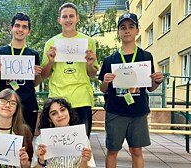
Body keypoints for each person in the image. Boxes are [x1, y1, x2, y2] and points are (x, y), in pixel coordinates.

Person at [98, 13, 164, 168]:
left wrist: (157, 81)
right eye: (123, 27)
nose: (127, 30)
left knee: (136, 151)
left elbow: (150, 87)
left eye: (131, 27)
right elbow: (103, 89)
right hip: (115, 112)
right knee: (112, 151)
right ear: (118, 33)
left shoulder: (146, 56)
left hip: (138, 112)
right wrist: (106, 82)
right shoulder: (110, 60)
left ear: (137, 31)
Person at [41, 2, 99, 138]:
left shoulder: (88, 41)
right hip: (58, 99)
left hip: (81, 99)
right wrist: (50, 61)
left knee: (82, 144)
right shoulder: (51, 43)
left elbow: (92, 74)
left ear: (77, 18)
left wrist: (90, 64)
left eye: (71, 16)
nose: (68, 20)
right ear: (59, 20)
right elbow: (44, 75)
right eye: (65, 16)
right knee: (58, 146)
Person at [0, 12, 42, 136]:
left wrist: (37, 74)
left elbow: (35, 83)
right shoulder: (0, 51)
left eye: (24, 27)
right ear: (11, 27)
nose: (20, 29)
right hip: (6, 104)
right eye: (17, 26)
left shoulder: (33, 54)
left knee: (27, 141)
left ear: (29, 31)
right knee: (6, 139)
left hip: (28, 103)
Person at [31, 97, 95, 168]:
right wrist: (41, 161)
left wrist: (84, 160)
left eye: (62, 110)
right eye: (54, 113)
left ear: (69, 112)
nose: (60, 115)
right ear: (49, 119)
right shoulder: (41, 140)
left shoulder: (82, 137)